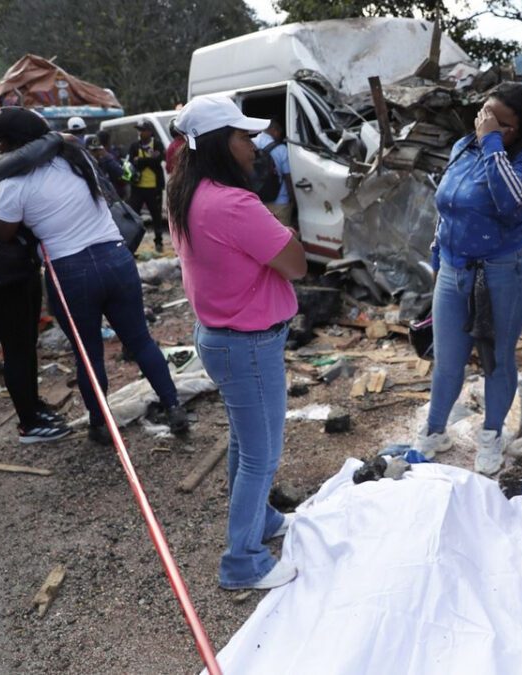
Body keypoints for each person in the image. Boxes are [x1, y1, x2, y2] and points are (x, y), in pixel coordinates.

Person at [0, 106, 189, 446]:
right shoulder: (75, 160)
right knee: (140, 340)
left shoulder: (12, 183)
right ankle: (173, 406)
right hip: (116, 259)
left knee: (88, 354)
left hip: (70, 272)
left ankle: (100, 425)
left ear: (12, 143)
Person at [167, 95, 307, 590]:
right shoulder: (231, 202)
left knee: (247, 442)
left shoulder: (188, 191)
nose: (254, 145)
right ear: (219, 143)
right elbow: (296, 263)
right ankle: (242, 561)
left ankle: (262, 521)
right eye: (244, 136)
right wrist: (284, 231)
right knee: (261, 454)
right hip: (247, 342)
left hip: (224, 338)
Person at [415, 83, 522, 475]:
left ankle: (491, 437)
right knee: (447, 359)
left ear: (520, 130)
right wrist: (438, 256)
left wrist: (491, 143)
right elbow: (448, 207)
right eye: (484, 116)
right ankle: (434, 431)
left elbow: (513, 205)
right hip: (454, 269)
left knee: (496, 358)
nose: (486, 125)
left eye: (500, 123)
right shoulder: (461, 148)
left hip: (502, 272)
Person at [0, 109, 71, 443]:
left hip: (19, 270)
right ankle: (30, 423)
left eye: (0, 138)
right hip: (0, 277)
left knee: (26, 346)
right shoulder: (2, 172)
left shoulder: (13, 168)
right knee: (16, 349)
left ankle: (33, 405)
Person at [127, 121, 166, 251]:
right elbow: (132, 163)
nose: (140, 132)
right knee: (134, 217)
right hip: (137, 188)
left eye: (143, 130)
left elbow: (158, 160)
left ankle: (159, 242)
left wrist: (142, 161)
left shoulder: (157, 144)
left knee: (156, 217)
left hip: (154, 187)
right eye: (139, 130)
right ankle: (131, 245)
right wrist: (150, 160)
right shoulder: (134, 146)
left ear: (149, 132)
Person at [251, 121, 293, 228]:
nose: (280, 136)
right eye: (280, 132)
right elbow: (288, 177)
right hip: (280, 202)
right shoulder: (281, 149)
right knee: (283, 235)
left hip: (256, 201)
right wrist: (293, 200)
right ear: (275, 130)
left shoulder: (250, 144)